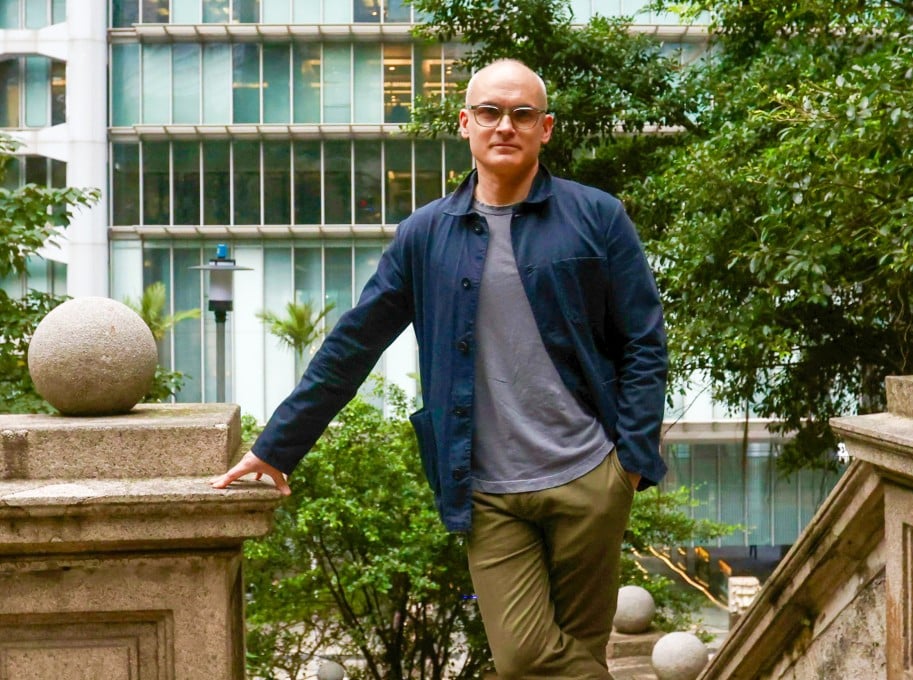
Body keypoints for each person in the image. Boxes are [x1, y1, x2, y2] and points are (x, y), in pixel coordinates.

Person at [212, 58, 668, 679]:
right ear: (466, 123)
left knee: (579, 655)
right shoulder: (426, 234)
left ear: (545, 128)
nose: (504, 125)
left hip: (590, 474)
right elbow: (354, 344)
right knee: (527, 659)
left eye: (521, 113)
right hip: (486, 491)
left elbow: (644, 339)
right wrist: (278, 446)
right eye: (490, 111)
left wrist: (632, 462)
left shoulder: (597, 217)